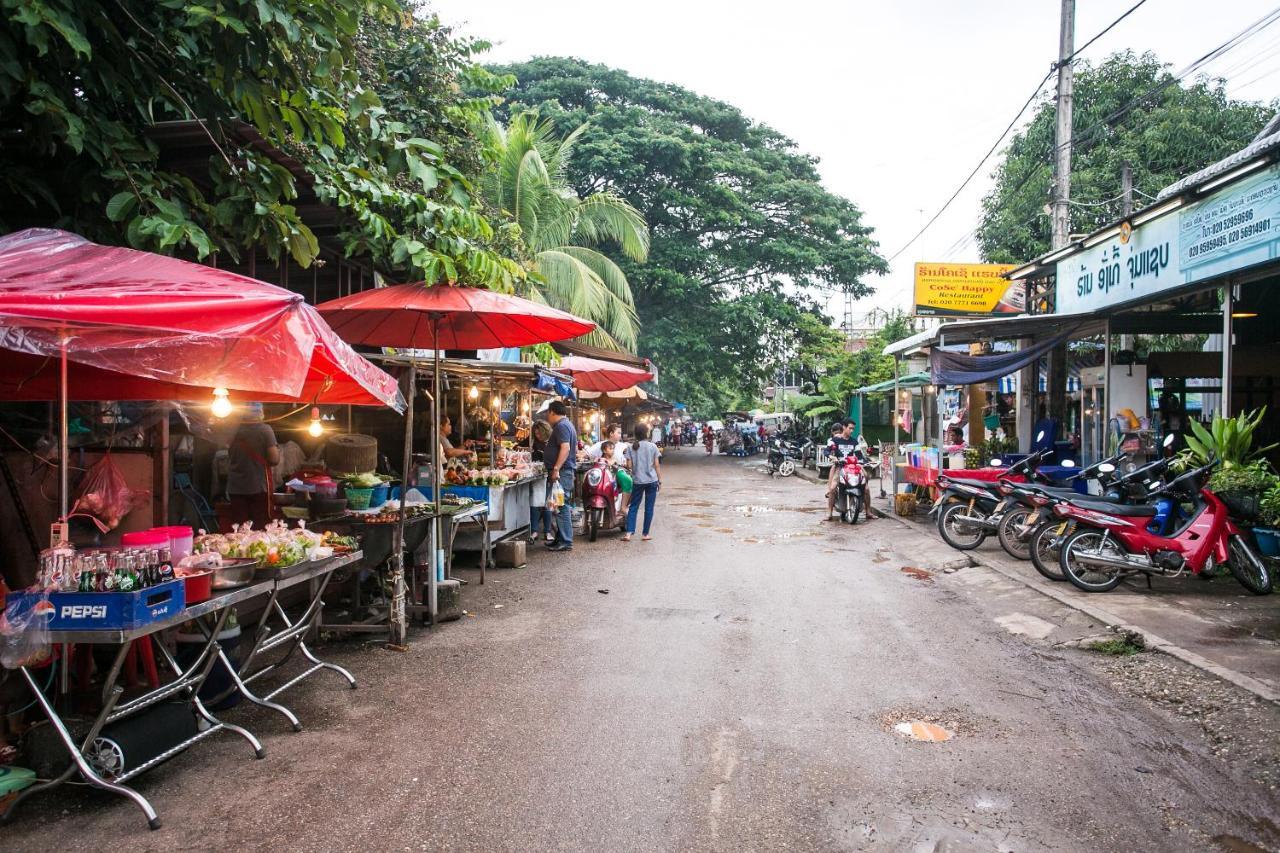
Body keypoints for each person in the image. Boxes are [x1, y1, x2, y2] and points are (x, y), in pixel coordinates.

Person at [226, 403, 280, 530]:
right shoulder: (265, 430)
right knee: (260, 528)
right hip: (258, 488)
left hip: (235, 488)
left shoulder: (232, 430)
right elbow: (274, 459)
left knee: (239, 529)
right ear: (260, 412)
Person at [544, 400, 578, 551]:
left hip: (562, 472)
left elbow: (565, 447)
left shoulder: (562, 426)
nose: (547, 417)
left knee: (561, 505)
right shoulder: (567, 425)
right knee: (558, 505)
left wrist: (556, 468)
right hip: (564, 471)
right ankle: (560, 538)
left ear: (552, 412)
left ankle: (566, 541)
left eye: (547, 413)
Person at [622, 424, 662, 542]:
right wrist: (660, 480)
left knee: (633, 506)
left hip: (638, 481)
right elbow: (657, 465)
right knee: (649, 508)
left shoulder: (630, 447)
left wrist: (633, 468)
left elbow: (629, 466)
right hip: (651, 481)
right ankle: (645, 534)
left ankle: (628, 534)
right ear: (646, 433)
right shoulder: (653, 446)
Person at [588, 423, 632, 516]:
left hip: (617, 470)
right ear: (611, 433)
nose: (620, 435)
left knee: (627, 480)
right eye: (618, 433)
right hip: (602, 472)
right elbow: (588, 454)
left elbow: (629, 458)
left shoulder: (623, 446)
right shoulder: (600, 445)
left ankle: (623, 507)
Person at [529, 420, 554, 544]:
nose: (537, 436)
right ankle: (534, 531)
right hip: (536, 475)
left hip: (549, 475)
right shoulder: (533, 441)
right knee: (535, 503)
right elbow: (518, 446)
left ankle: (548, 531)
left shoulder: (552, 442)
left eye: (539, 433)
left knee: (547, 503)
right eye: (536, 433)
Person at [825, 421, 857, 521]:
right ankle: (829, 511)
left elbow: (860, 455)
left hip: (852, 467)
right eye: (850, 428)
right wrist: (831, 456)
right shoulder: (834, 440)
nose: (851, 431)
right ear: (844, 427)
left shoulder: (854, 441)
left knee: (865, 484)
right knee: (832, 488)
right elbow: (826, 451)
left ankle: (867, 511)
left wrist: (864, 461)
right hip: (839, 467)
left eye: (853, 429)